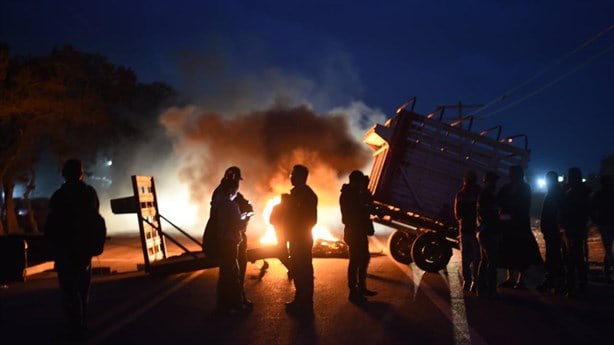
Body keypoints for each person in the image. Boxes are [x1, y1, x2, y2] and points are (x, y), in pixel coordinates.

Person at [45, 158, 101, 333]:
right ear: (81, 173)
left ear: (64, 174)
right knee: (83, 288)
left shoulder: (59, 195)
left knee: (69, 289)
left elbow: (52, 222)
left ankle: (74, 322)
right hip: (84, 249)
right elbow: (95, 217)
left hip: (65, 249)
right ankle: (81, 320)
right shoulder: (89, 193)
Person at [210, 166, 253, 309]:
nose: (238, 187)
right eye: (237, 182)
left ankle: (236, 300)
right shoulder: (226, 198)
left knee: (231, 271)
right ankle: (233, 302)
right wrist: (246, 217)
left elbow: (243, 202)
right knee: (231, 272)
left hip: (229, 236)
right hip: (230, 238)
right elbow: (235, 221)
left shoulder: (223, 193)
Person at [497, 165, 542, 289]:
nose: (510, 176)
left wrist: (510, 208)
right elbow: (498, 201)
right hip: (508, 225)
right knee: (508, 251)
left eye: (512, 173)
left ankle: (520, 280)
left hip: (520, 225)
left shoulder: (525, 188)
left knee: (522, 252)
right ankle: (510, 278)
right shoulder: (507, 187)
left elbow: (524, 204)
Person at [340, 171, 377, 304]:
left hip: (358, 231)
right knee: (355, 262)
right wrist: (368, 208)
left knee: (364, 258)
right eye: (360, 182)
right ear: (354, 182)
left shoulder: (353, 193)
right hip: (354, 231)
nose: (362, 185)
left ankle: (361, 288)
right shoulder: (348, 195)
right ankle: (353, 292)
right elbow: (356, 211)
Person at [285, 164, 318, 310]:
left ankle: (302, 300)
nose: (290, 177)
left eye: (292, 174)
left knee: (301, 268)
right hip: (299, 237)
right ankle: (303, 299)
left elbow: (308, 219)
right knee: (301, 268)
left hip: (300, 238)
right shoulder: (301, 194)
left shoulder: (304, 195)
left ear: (299, 177)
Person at [560, 167, 592, 298]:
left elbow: (577, 211)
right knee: (572, 258)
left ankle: (576, 284)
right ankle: (575, 284)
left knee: (575, 258)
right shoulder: (574, 191)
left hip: (574, 228)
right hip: (570, 228)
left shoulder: (578, 193)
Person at [454, 170, 482, 292]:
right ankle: (475, 282)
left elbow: (457, 214)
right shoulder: (480, 193)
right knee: (477, 257)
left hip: (465, 229)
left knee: (465, 257)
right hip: (477, 230)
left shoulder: (461, 194)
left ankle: (467, 281)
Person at [537, 171, 565, 293]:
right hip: (551, 230)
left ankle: (554, 281)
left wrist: (552, 228)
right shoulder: (555, 192)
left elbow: (554, 213)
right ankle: (555, 281)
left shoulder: (554, 193)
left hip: (552, 230)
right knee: (554, 255)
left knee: (553, 256)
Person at [475, 171, 500, 298]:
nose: (495, 184)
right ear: (487, 181)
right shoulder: (486, 196)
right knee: (492, 261)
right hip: (488, 232)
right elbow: (488, 215)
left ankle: (481, 288)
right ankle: (490, 290)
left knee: (485, 261)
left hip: (484, 231)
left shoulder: (487, 195)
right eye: (492, 181)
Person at [590, 174, 614, 280]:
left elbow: (591, 209)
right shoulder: (604, 194)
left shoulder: (599, 195)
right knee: (608, 250)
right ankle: (608, 270)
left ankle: (608, 271)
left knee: (608, 249)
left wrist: (596, 221)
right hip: (607, 224)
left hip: (605, 224)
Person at [269, 193, 293, 278]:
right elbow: (271, 220)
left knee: (284, 253)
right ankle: (292, 268)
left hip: (285, 234)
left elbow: (271, 220)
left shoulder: (287, 208)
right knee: (283, 253)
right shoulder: (290, 208)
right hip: (285, 234)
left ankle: (292, 268)